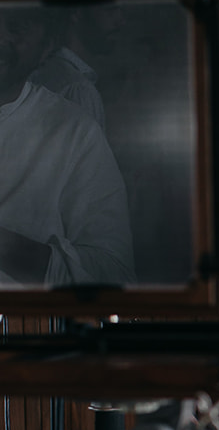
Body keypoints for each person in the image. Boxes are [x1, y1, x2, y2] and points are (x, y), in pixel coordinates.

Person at [0, 17, 134, 288]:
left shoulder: (75, 133)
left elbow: (113, 276)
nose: (0, 37)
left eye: (17, 25)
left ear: (47, 47)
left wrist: (8, 247)